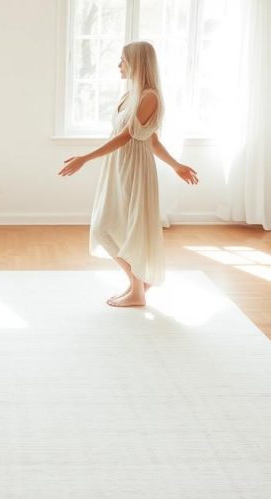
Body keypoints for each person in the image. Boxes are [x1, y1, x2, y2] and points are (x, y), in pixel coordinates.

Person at [59, 41, 198, 307]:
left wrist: (85, 158)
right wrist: (176, 165)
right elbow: (146, 138)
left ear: (136, 63)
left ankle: (137, 290)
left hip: (135, 168)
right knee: (104, 227)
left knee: (130, 226)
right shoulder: (128, 96)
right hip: (118, 166)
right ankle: (138, 284)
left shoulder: (149, 96)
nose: (119, 65)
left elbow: (133, 138)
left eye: (122, 60)